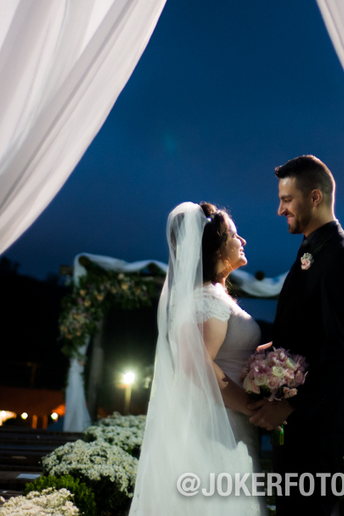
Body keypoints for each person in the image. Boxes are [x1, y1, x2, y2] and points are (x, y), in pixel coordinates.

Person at [249, 155, 344, 516]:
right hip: (298, 422)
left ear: (315, 197)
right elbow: (307, 331)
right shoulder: (312, 248)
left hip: (318, 423)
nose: (279, 210)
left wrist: (289, 405)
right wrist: (266, 355)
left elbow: (338, 350)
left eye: (287, 200)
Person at [130, 202, 263, 516]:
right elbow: (197, 365)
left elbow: (229, 352)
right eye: (234, 235)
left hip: (227, 420)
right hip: (218, 426)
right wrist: (252, 407)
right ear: (216, 247)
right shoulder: (207, 299)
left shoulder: (212, 295)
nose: (242, 240)